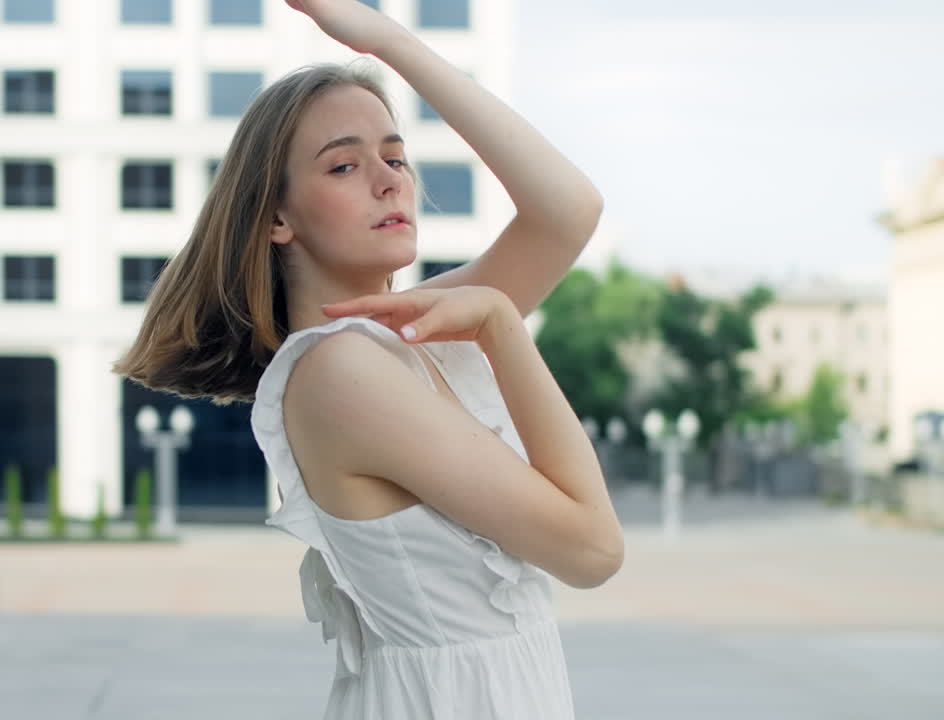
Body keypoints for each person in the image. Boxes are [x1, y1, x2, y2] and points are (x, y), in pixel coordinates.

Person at [114, 1, 624, 717]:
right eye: (345, 165)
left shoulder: (401, 335)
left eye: (396, 156)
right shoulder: (341, 374)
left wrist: (386, 41)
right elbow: (592, 551)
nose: (390, 181)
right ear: (277, 218)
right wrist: (503, 330)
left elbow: (567, 210)